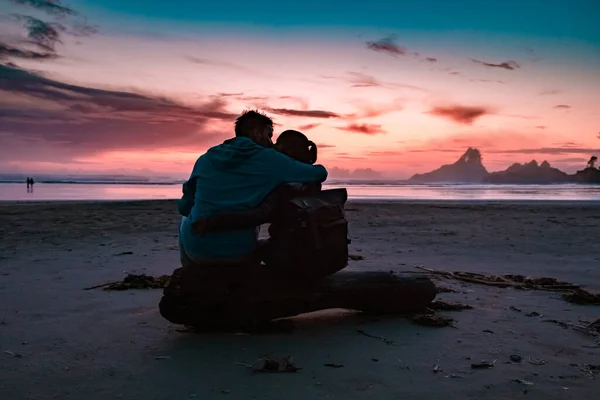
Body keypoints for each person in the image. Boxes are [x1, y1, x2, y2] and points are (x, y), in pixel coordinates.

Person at [177, 110, 328, 267]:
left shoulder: (205, 158)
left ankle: (189, 272)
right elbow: (320, 173)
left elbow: (184, 207)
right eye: (269, 135)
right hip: (239, 254)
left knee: (186, 219)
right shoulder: (271, 159)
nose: (271, 143)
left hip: (197, 252)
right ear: (257, 133)